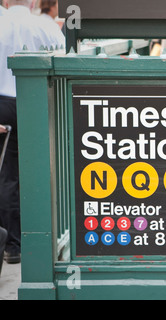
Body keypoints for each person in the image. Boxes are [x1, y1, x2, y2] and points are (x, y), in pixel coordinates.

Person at [0, 0, 65, 264]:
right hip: (38, 100)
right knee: (41, 168)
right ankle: (44, 235)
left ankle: (13, 244)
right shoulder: (45, 27)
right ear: (34, 2)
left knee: (8, 175)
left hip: (3, 101)